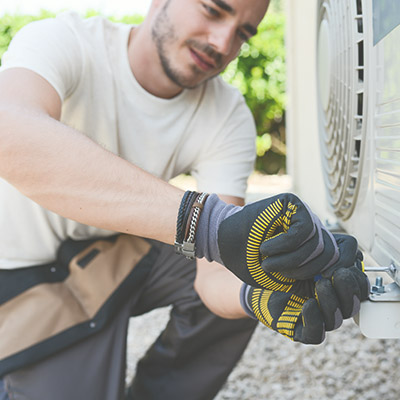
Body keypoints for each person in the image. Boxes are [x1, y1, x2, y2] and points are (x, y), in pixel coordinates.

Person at [0, 0, 369, 399]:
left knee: (258, 261)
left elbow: (215, 273)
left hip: (106, 259)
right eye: (213, 10)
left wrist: (260, 294)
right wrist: (209, 224)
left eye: (244, 33)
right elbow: (9, 132)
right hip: (16, 279)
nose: (224, 42)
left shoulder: (226, 114)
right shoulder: (64, 40)